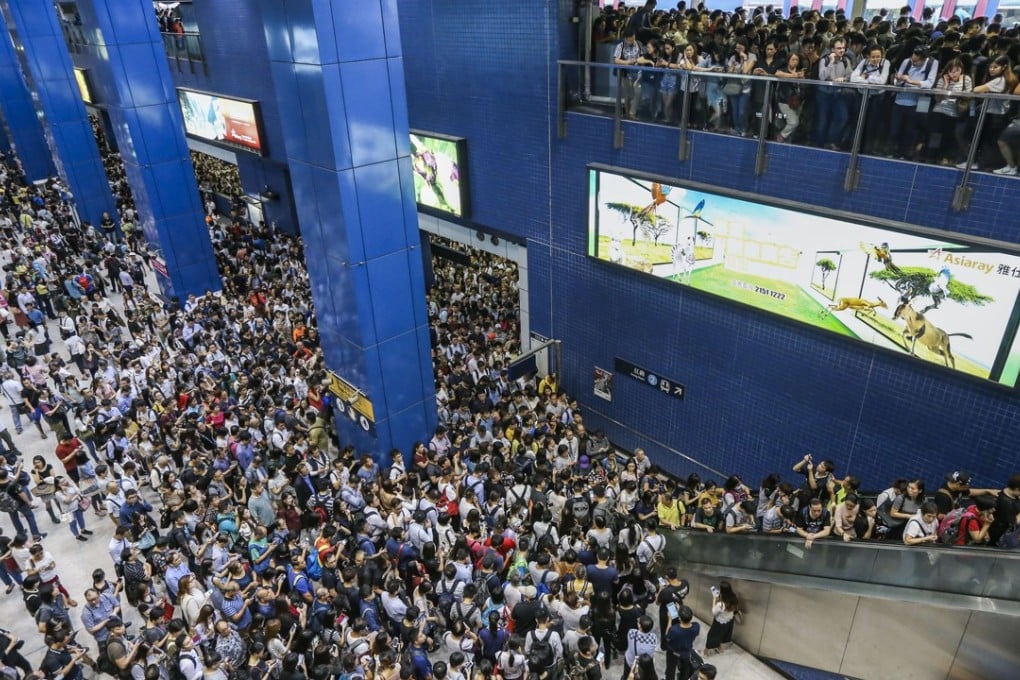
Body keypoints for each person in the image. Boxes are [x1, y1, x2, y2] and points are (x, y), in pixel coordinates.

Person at [703, 581, 739, 656]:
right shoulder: (734, 597)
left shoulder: (721, 604)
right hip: (729, 620)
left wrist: (714, 599)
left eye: (720, 589)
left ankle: (706, 653)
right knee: (724, 635)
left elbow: (713, 612)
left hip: (720, 622)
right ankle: (720, 649)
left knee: (711, 636)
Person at [663, 606, 699, 680]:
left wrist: (669, 620)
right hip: (686, 652)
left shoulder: (674, 630)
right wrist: (683, 612)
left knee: (671, 669)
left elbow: (667, 638)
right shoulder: (696, 626)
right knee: (685, 669)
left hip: (674, 652)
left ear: (679, 618)